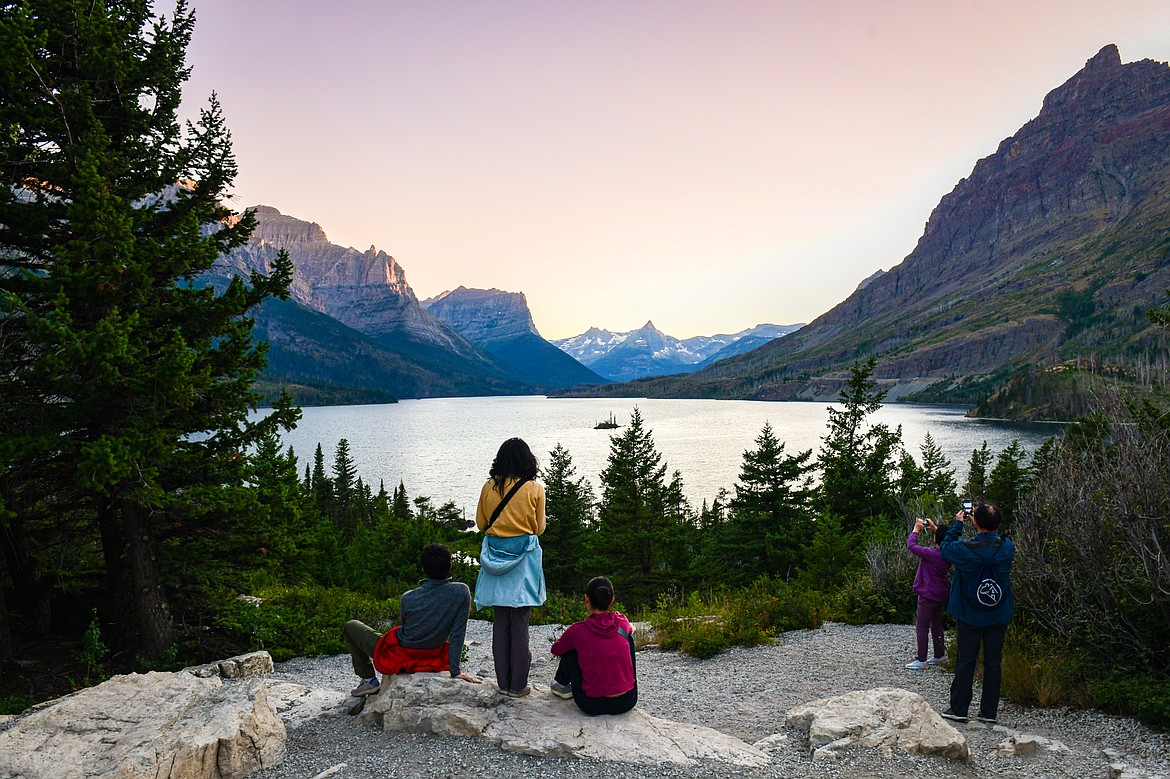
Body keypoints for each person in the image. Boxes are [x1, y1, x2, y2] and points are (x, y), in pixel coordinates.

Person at [342, 543, 477, 697]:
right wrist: (455, 671)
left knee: (351, 626)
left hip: (403, 654)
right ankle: (368, 681)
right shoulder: (461, 591)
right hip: (434, 655)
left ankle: (368, 680)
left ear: (423, 569)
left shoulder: (408, 597)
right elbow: (458, 633)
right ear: (449, 566)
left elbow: (406, 627)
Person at [474, 437, 547, 697]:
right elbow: (539, 528)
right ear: (528, 461)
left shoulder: (488, 487)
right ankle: (518, 685)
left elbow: (481, 524)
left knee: (500, 621)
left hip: (494, 556)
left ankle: (503, 683)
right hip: (523, 560)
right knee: (520, 621)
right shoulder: (535, 489)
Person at [939, 502, 1015, 724]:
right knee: (993, 661)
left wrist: (957, 524)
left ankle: (959, 708)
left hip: (969, 612)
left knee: (966, 660)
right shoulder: (1007, 547)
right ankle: (989, 712)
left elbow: (945, 547)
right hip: (998, 612)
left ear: (975, 521)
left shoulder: (964, 549)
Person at [549, 576, 638, 716]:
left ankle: (561, 685)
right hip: (627, 701)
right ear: (612, 600)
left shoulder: (578, 630)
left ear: (586, 599)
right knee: (628, 639)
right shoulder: (622, 621)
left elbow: (556, 649)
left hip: (591, 704)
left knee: (571, 647)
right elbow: (630, 629)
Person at [905, 517, 951, 669]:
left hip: (928, 594)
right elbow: (946, 539)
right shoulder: (949, 552)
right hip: (941, 593)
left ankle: (921, 659)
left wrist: (916, 529)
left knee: (922, 625)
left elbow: (912, 545)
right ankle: (939, 655)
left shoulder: (932, 554)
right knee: (937, 624)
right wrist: (934, 528)